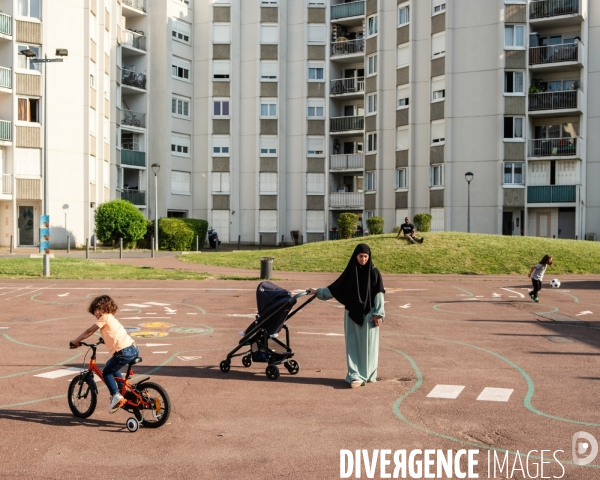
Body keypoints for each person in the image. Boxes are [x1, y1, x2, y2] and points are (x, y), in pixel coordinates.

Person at [308, 244, 385, 388]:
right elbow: (335, 289)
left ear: (369, 257)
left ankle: (368, 374)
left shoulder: (374, 273)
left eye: (365, 256)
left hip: (369, 314)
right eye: (360, 256)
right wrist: (317, 292)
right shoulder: (351, 273)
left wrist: (378, 314)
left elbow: (379, 293)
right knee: (353, 344)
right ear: (355, 256)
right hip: (351, 314)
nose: (363, 259)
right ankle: (355, 375)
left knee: (369, 346)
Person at [70, 295, 139, 413]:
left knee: (106, 372)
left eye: (96, 310)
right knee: (111, 364)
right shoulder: (111, 318)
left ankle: (115, 395)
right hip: (133, 349)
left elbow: (89, 331)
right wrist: (104, 340)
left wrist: (75, 341)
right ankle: (122, 390)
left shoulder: (105, 317)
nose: (96, 314)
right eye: (94, 312)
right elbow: (114, 333)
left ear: (103, 307)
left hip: (123, 352)